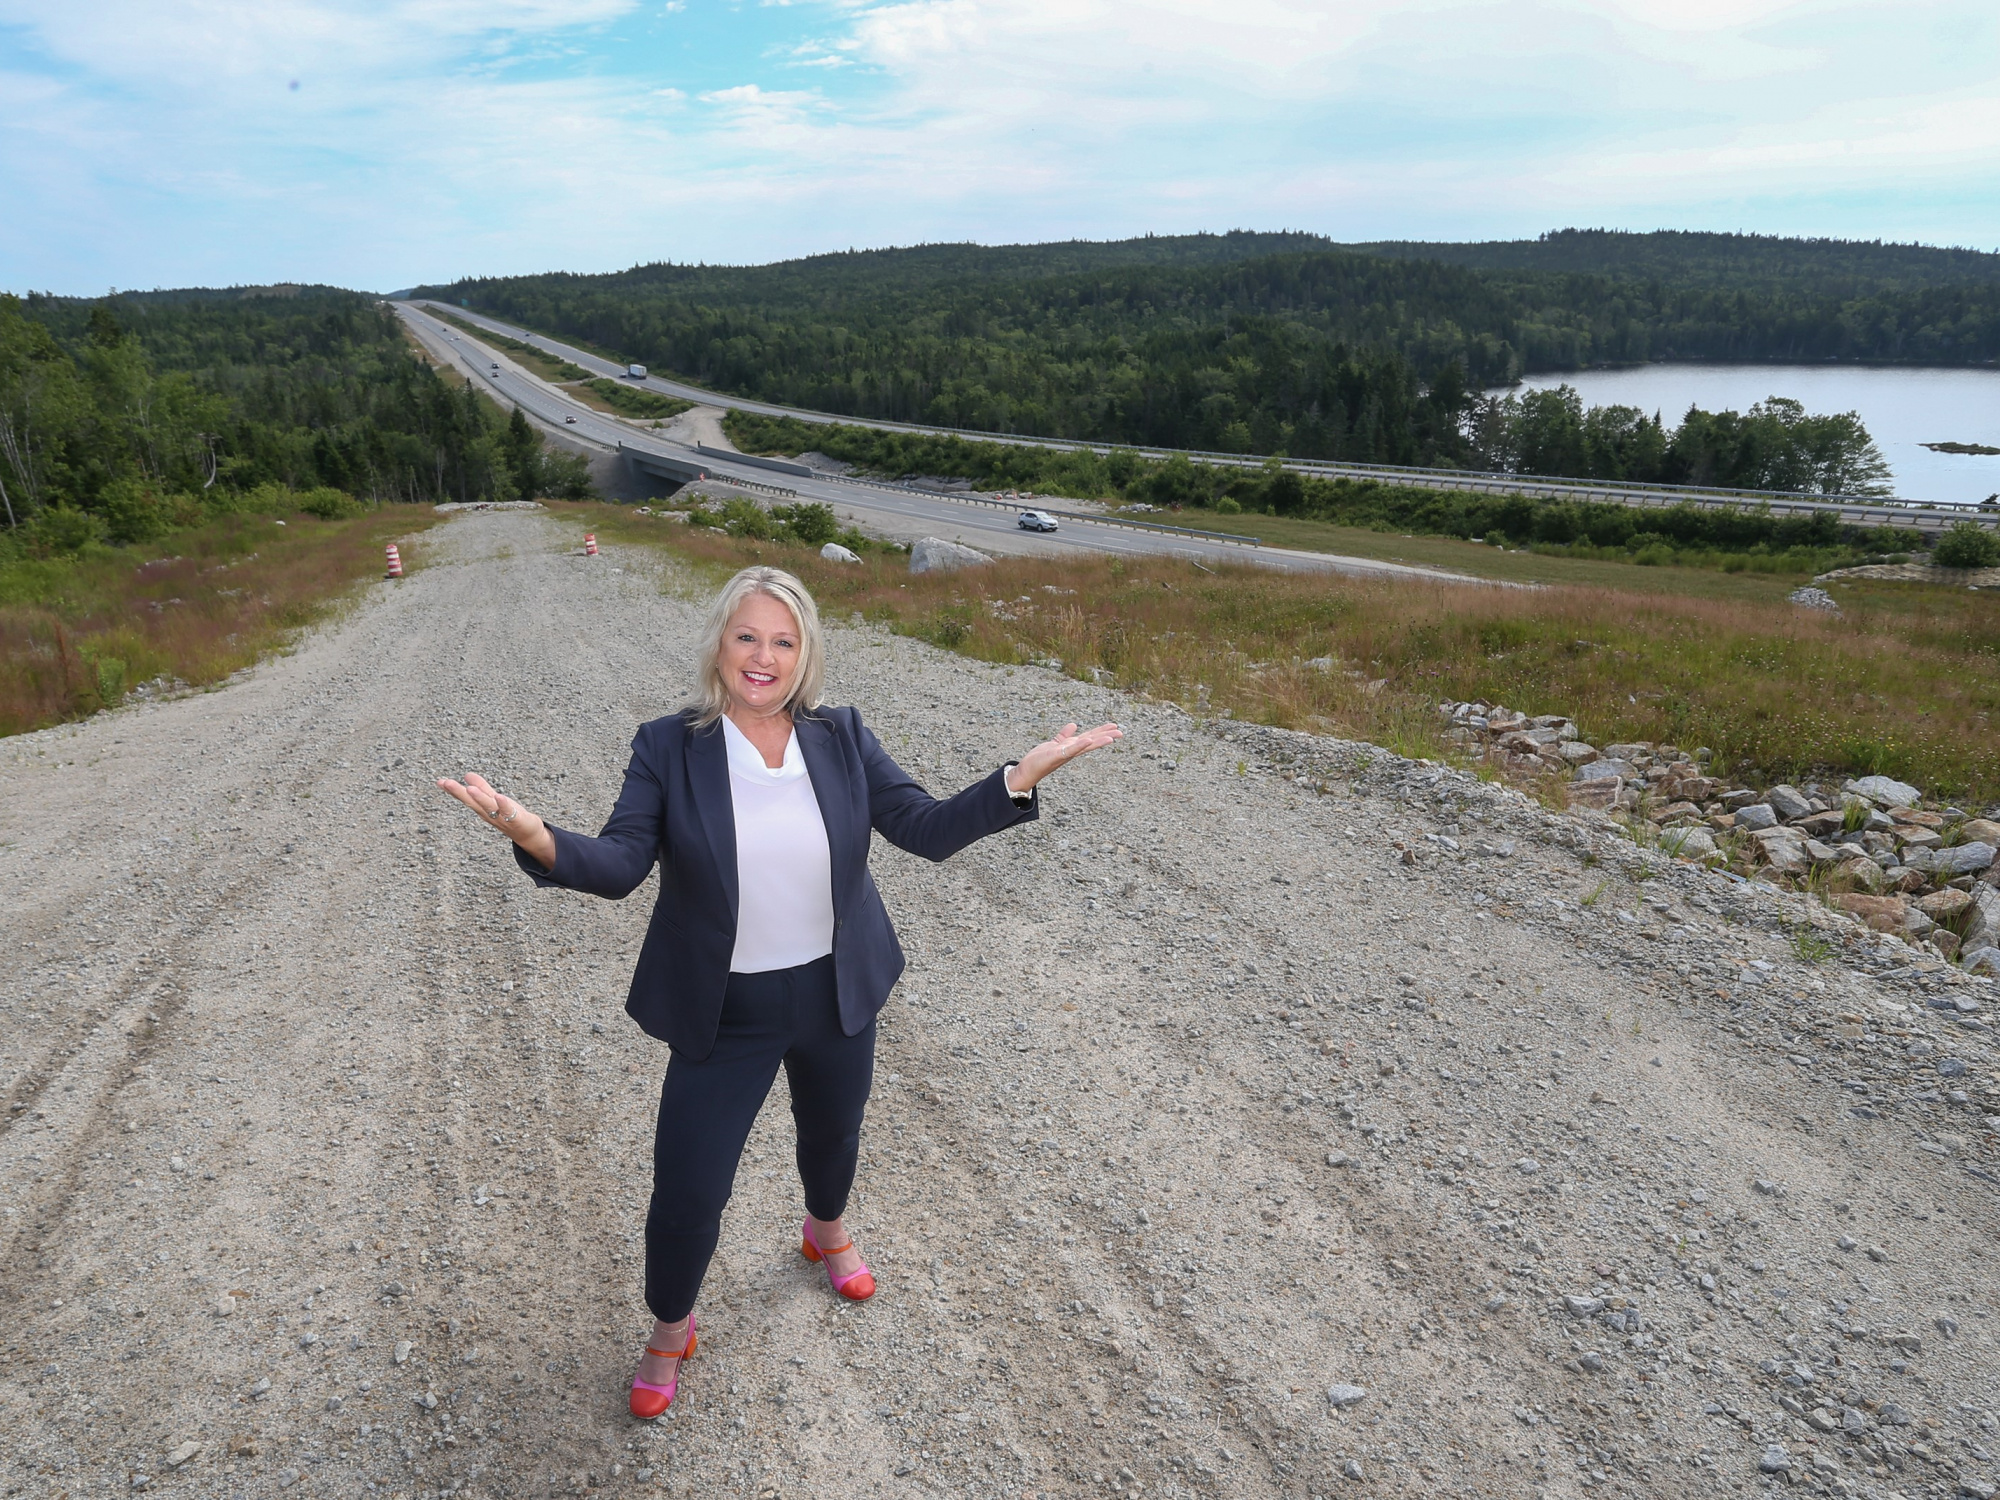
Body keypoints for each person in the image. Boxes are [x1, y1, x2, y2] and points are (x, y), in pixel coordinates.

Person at [437, 564, 1121, 1418]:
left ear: (806, 656)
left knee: (832, 1135)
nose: (764, 656)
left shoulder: (842, 737)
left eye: (784, 641)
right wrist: (533, 834)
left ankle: (826, 1231)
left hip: (837, 993)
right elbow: (618, 867)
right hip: (725, 1012)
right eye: (747, 636)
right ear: (720, 647)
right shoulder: (668, 746)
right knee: (689, 1185)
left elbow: (925, 829)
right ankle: (668, 1328)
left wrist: (1020, 776)